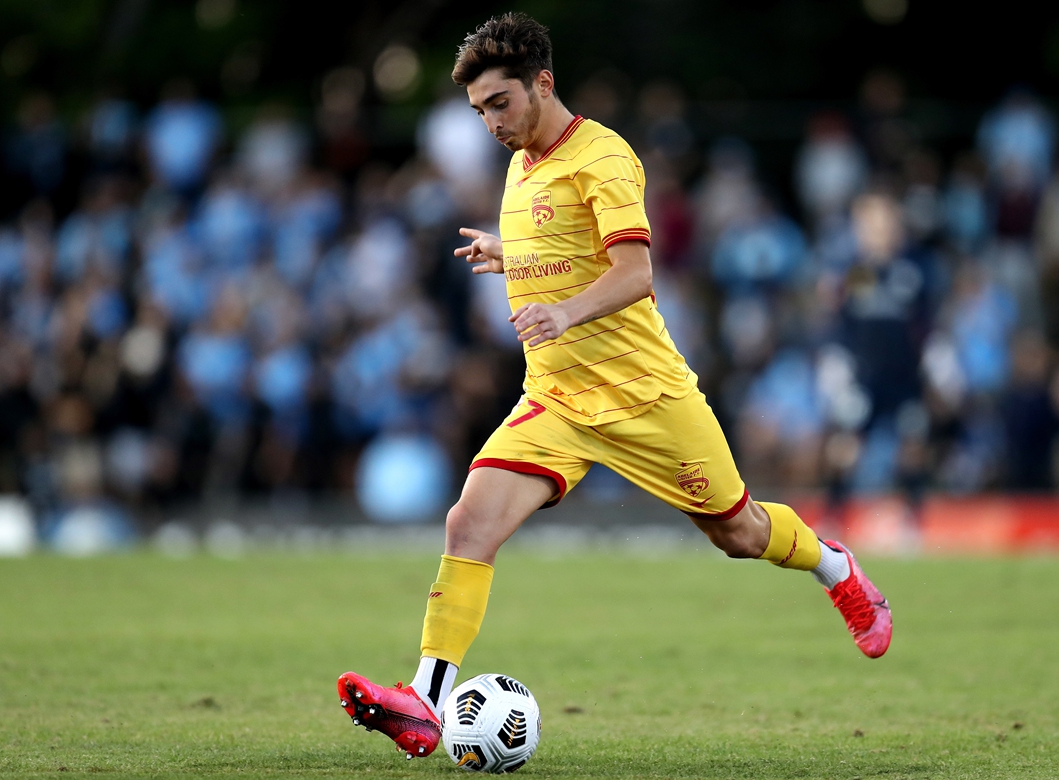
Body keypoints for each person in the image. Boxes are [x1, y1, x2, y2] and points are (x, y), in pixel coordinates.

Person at [337, 13, 892, 761]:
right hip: (556, 398)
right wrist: (511, 255)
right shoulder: (521, 163)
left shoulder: (602, 156)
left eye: (500, 103)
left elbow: (636, 272)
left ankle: (837, 568)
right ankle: (426, 702)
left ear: (543, 84)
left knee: (739, 533)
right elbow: (563, 243)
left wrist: (564, 310)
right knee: (468, 524)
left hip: (644, 395)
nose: (491, 123)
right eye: (479, 111)